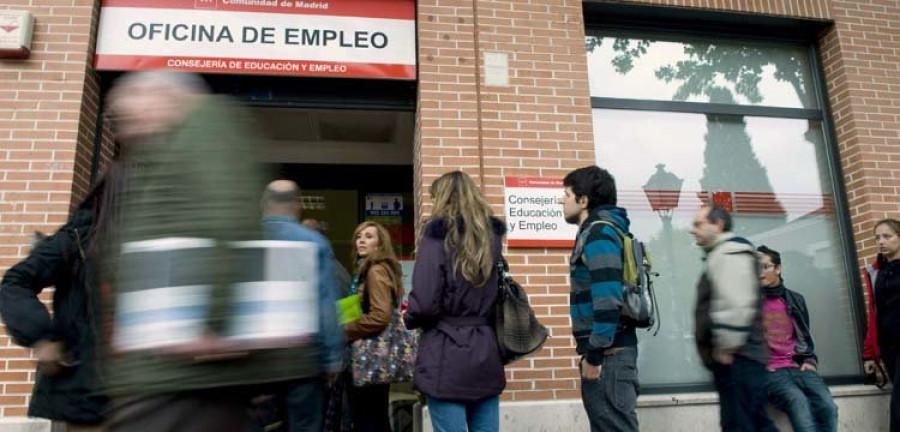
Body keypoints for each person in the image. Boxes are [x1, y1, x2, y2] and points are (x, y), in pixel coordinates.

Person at [100, 71, 314, 432]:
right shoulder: (171, 144)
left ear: (161, 97)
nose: (121, 130)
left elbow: (224, 219)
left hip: (185, 360)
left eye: (126, 113)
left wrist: (213, 323)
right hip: (171, 360)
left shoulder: (206, 127)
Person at [0, 164, 123, 431]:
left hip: (146, 392)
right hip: (87, 394)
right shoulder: (77, 239)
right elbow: (15, 281)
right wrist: (41, 335)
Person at [404, 171, 506, 432]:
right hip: (485, 348)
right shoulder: (491, 240)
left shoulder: (436, 235)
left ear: (443, 198)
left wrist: (410, 317)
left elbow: (424, 303)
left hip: (445, 351)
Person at [260, 181, 344, 431]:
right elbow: (326, 305)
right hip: (303, 360)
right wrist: (332, 359)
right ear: (297, 207)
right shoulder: (314, 243)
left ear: (263, 205)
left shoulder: (247, 239)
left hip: (257, 362)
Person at [561, 166, 639, 432]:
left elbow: (608, 300)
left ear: (584, 200)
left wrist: (594, 356)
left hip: (609, 356)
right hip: (609, 354)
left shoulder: (598, 234)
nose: (562, 200)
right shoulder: (601, 231)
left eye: (567, 194)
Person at [690, 206, 775, 432]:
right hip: (742, 359)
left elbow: (736, 303)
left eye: (698, 224)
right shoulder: (725, 252)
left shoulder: (729, 253)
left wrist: (727, 346)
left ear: (717, 225)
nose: (692, 230)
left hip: (739, 359)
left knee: (739, 425)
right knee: (757, 423)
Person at [757, 245, 837, 432]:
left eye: (765, 267)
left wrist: (809, 360)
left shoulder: (795, 300)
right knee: (799, 405)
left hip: (798, 366)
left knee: (828, 407)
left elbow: (804, 336)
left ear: (778, 268)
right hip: (771, 371)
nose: (759, 273)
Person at [344, 221, 404, 432]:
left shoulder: (375, 271)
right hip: (371, 357)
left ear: (380, 244)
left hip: (369, 356)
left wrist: (344, 329)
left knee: (368, 418)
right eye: (359, 235)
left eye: (369, 236)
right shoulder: (369, 269)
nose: (361, 239)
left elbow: (380, 316)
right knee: (374, 417)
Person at [863, 218, 900, 431]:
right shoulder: (876, 272)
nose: (881, 241)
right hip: (890, 349)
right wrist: (869, 354)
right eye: (877, 237)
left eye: (887, 236)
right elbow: (873, 315)